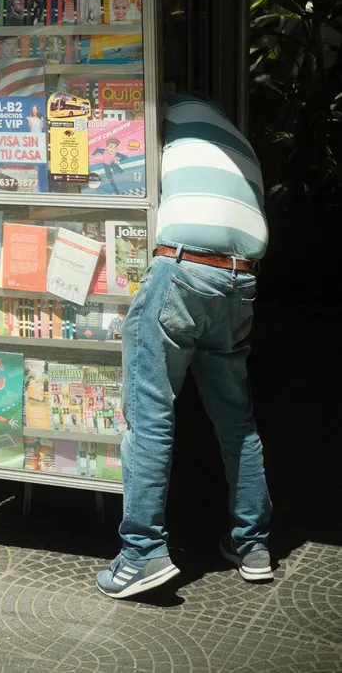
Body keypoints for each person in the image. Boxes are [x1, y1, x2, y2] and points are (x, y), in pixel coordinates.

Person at [96, 93, 272, 600]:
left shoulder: (160, 109)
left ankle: (141, 554)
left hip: (181, 271)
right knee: (236, 420)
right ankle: (252, 544)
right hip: (239, 283)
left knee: (148, 413)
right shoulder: (238, 144)